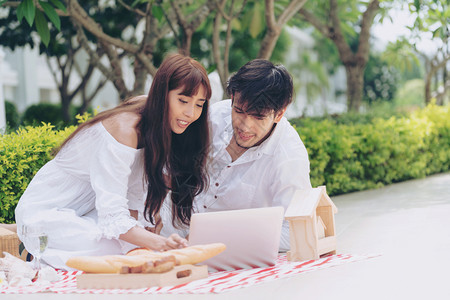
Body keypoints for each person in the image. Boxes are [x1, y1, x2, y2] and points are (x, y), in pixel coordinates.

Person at [13, 53, 212, 270]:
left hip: (89, 212)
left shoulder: (156, 119)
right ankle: (32, 251)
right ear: (162, 94)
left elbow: (129, 195)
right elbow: (114, 216)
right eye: (183, 100)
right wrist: (160, 244)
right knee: (116, 250)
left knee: (135, 245)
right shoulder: (125, 130)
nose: (191, 113)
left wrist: (143, 238)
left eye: (199, 104)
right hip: (46, 212)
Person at [160, 59, 312, 251]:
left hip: (218, 255)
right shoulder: (214, 116)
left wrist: (212, 237)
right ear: (232, 97)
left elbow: (294, 232)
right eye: (239, 111)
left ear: (279, 114)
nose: (245, 126)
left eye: (258, 116)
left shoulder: (289, 157)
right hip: (162, 234)